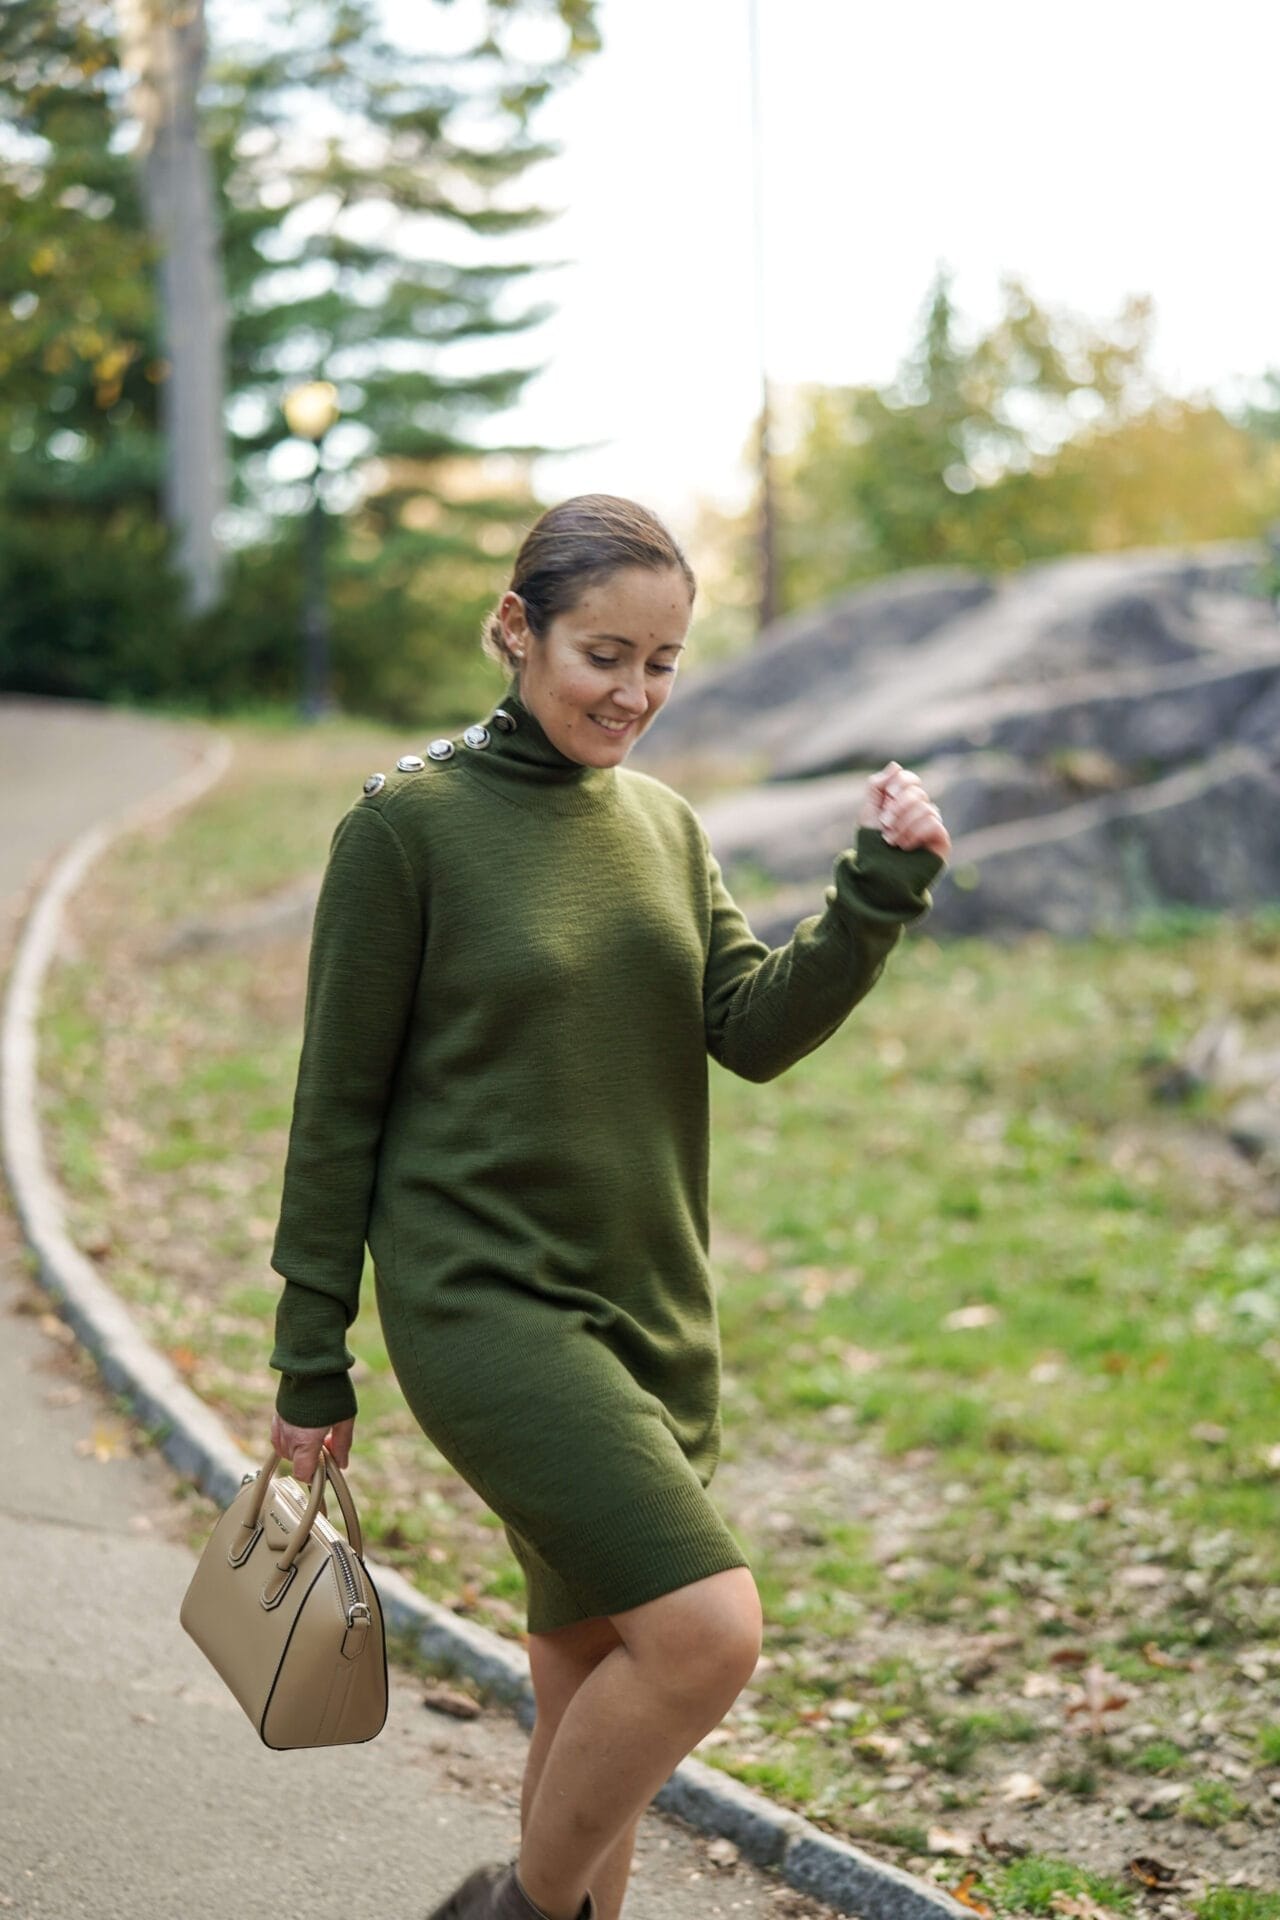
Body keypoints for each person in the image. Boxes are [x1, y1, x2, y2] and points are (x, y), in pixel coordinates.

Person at [266, 493, 950, 1920]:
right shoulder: (409, 827)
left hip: (650, 1303)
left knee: (592, 1688)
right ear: (517, 629)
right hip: (485, 1309)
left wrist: (875, 895)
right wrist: (309, 1351)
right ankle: (506, 1910)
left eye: (662, 663)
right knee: (705, 1636)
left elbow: (749, 1029)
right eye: (602, 654)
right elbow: (336, 1108)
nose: (632, 692)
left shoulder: (664, 825)